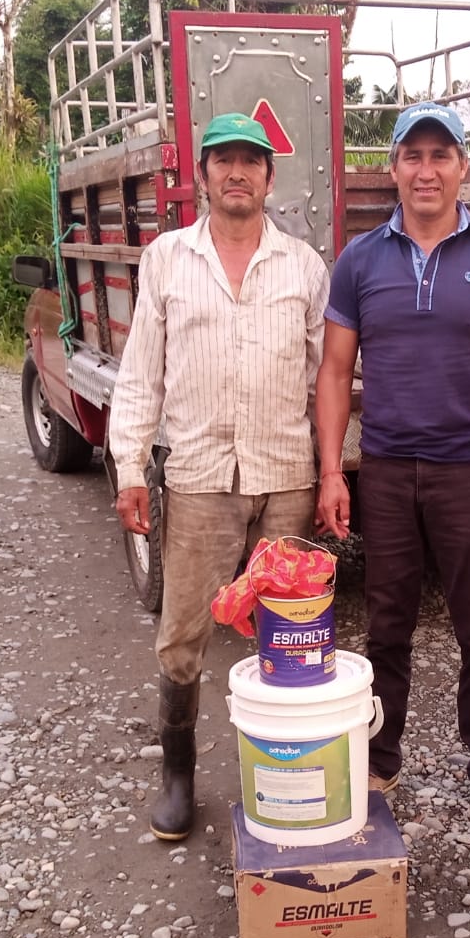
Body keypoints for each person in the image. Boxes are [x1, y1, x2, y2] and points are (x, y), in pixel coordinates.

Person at [314, 102, 470, 835]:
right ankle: (380, 761)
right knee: (386, 624)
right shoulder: (359, 260)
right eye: (412, 155)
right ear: (393, 168)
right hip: (384, 469)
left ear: (461, 167)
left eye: (440, 155)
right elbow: (333, 371)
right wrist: (331, 471)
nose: (425, 170)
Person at [108, 112, 330, 841]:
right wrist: (129, 465)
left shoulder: (302, 265)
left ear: (270, 178)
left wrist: (333, 469)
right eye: (223, 160)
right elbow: (141, 372)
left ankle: (286, 775)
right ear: (202, 175)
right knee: (183, 633)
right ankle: (177, 776)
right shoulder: (167, 259)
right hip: (200, 476)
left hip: (286, 475)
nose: (237, 172)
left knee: (289, 635)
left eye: (251, 161)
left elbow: (325, 378)